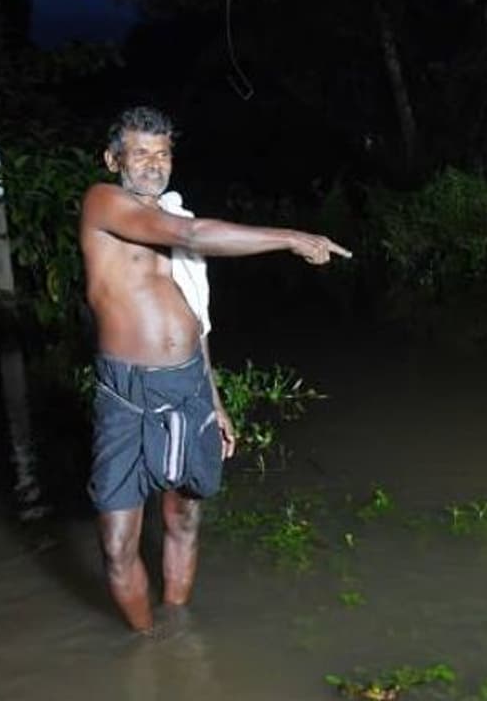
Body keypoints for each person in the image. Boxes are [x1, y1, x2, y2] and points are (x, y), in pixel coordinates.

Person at [79, 106, 350, 633]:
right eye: (141, 153)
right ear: (113, 159)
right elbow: (195, 234)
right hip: (126, 395)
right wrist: (291, 237)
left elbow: (196, 322)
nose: (154, 165)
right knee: (115, 547)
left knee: (183, 519)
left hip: (186, 387)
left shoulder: (173, 213)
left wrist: (216, 401)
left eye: (163, 154)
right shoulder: (104, 202)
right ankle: (146, 643)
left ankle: (178, 631)